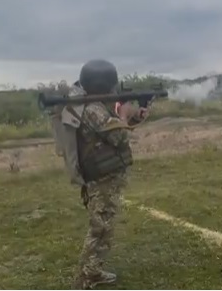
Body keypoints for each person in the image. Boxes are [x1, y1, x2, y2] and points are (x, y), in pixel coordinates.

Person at [48, 59, 147, 289]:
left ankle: (93, 271)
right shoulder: (92, 110)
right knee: (100, 229)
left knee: (104, 227)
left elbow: (114, 127)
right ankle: (85, 280)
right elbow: (118, 136)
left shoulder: (93, 105)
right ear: (105, 85)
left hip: (105, 174)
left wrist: (135, 115)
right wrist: (123, 114)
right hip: (102, 177)